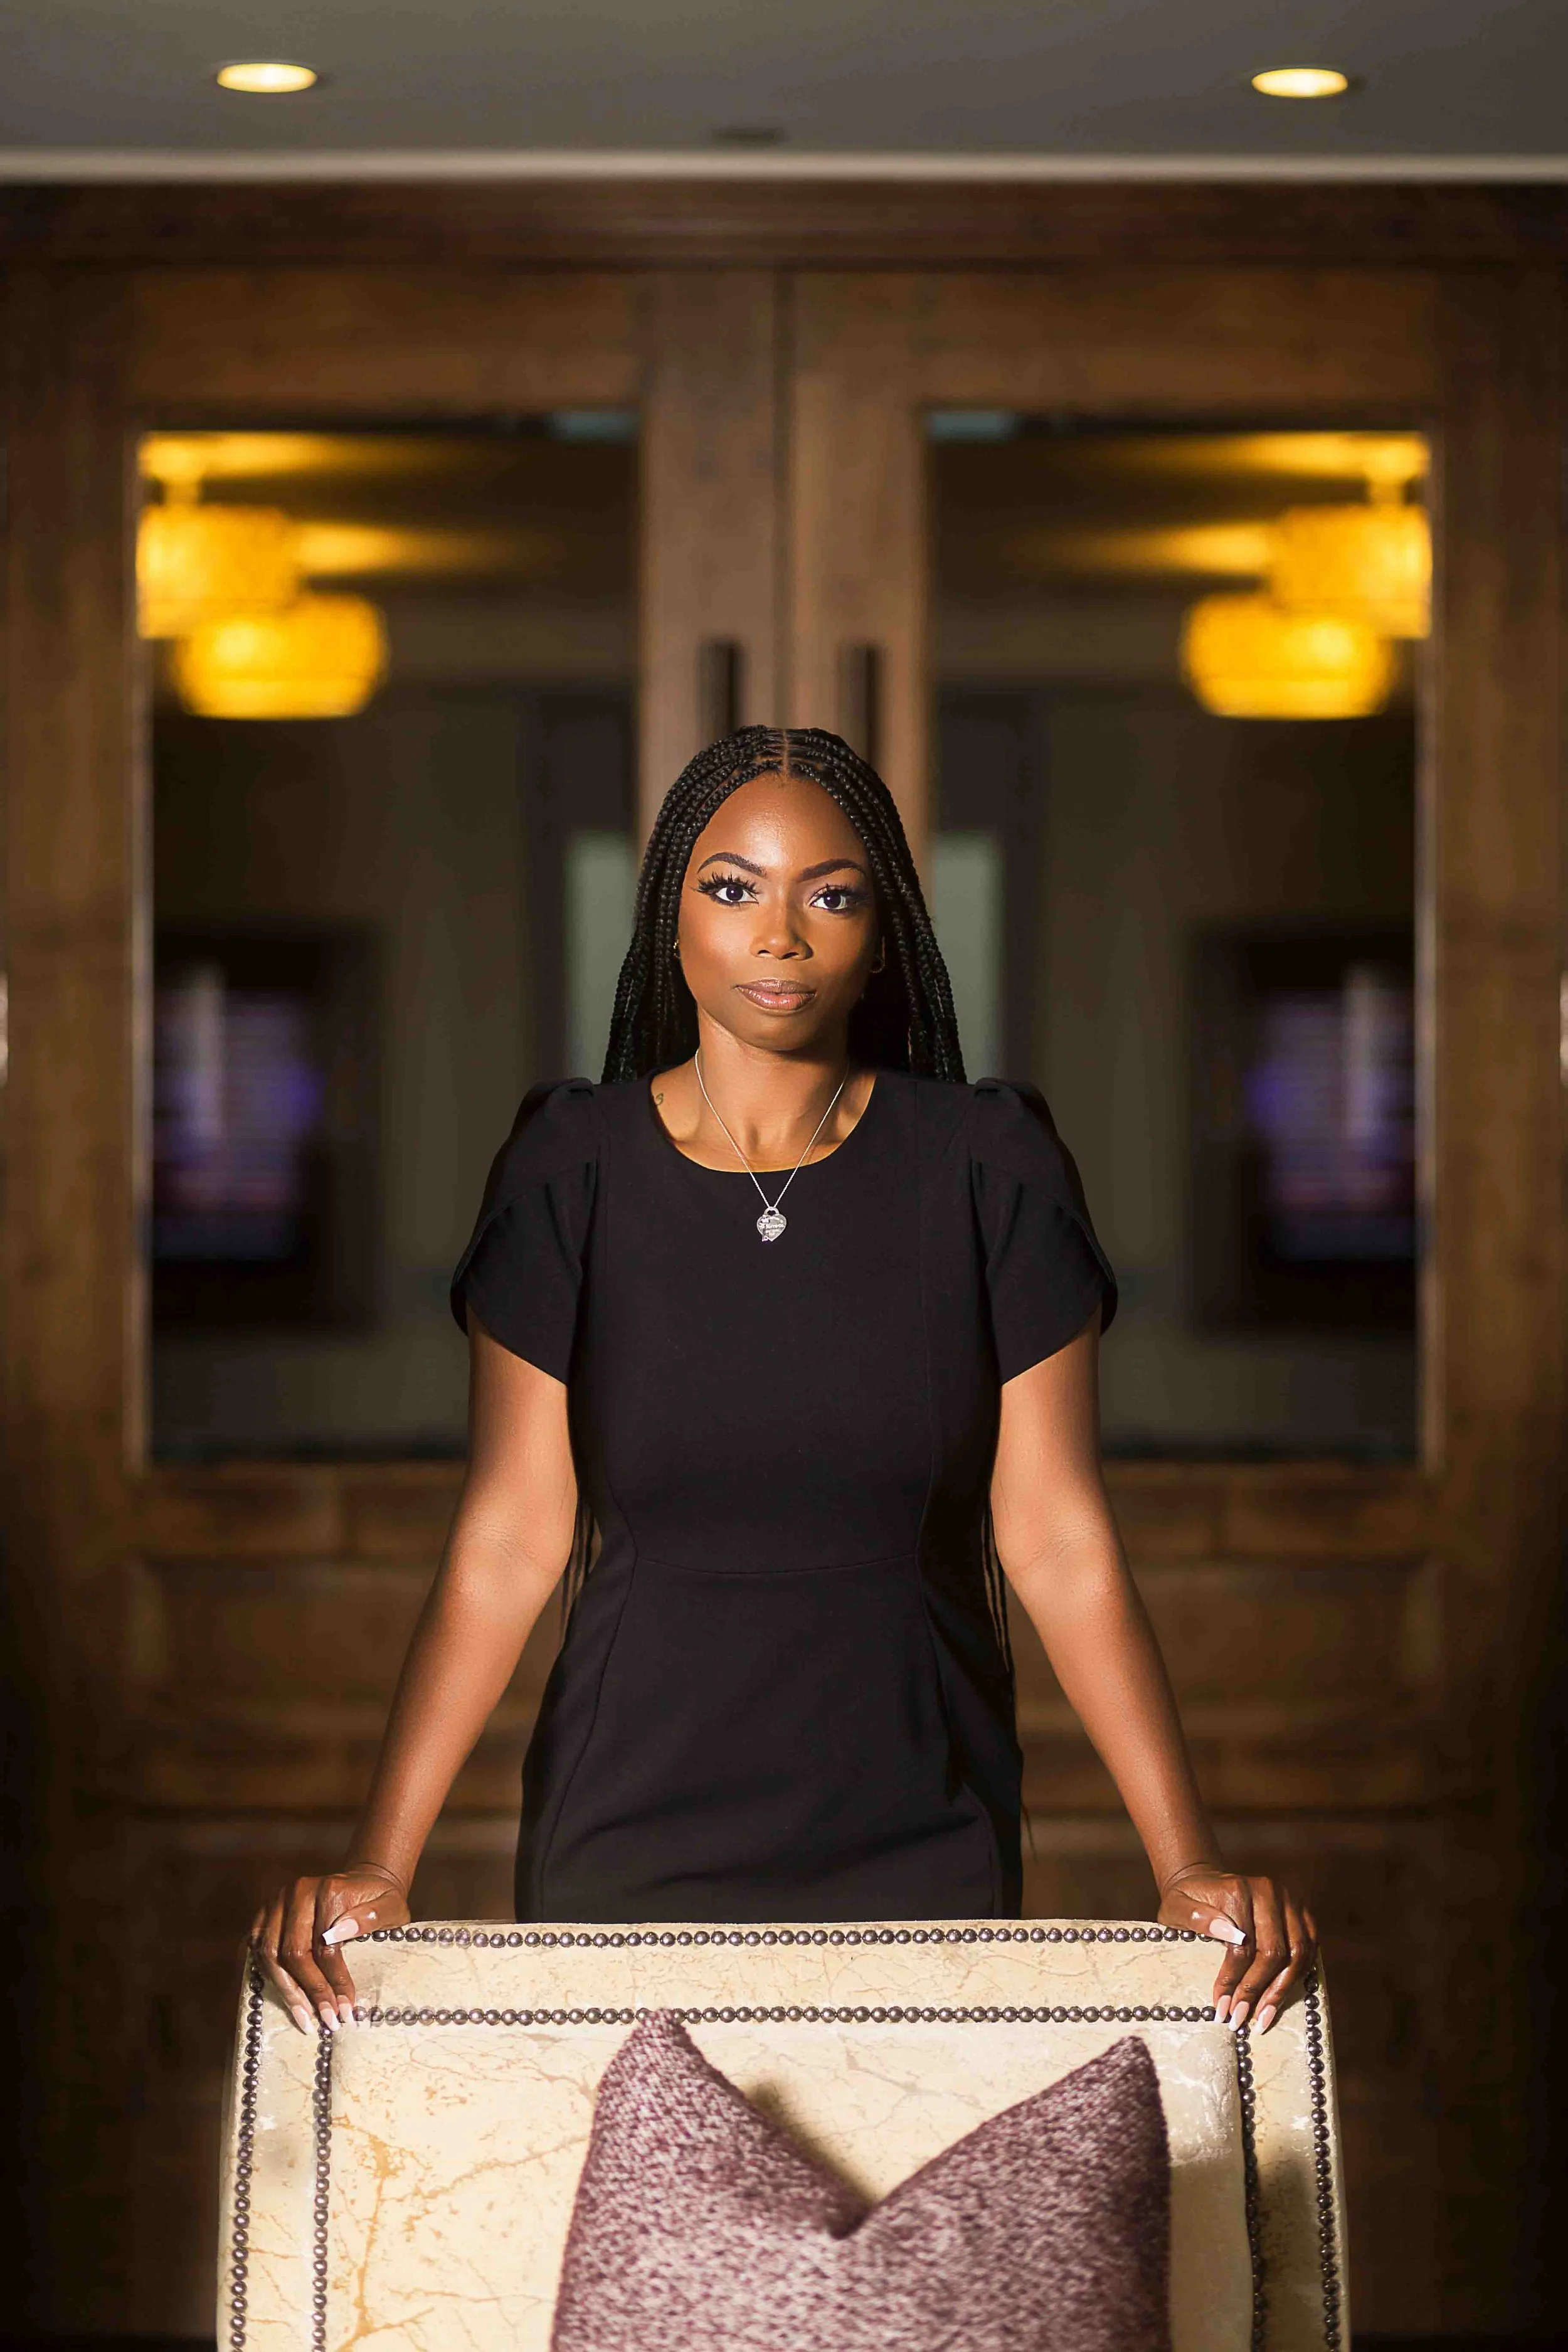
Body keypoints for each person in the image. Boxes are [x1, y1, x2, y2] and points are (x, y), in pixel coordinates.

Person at [252, 725, 1316, 2037]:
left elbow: (1054, 1534)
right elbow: (508, 1536)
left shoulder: (988, 1165)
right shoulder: (567, 1167)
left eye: (830, 892)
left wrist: (1182, 1861)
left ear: (879, 930)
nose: (780, 935)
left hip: (919, 1833)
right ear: (670, 915)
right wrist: (382, 1861)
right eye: (732, 886)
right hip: (625, 1834)